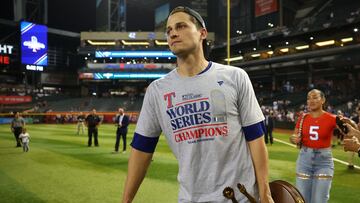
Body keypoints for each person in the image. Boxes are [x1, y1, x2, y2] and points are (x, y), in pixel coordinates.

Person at [122, 6, 274, 203]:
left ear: (202, 33)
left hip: (241, 197)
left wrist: (265, 192)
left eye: (181, 26)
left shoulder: (235, 77)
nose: (173, 33)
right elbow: (142, 149)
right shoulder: (156, 91)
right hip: (191, 198)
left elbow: (256, 138)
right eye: (168, 31)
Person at [290, 89, 337, 203]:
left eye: (315, 97)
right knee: (302, 199)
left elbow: (350, 131)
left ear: (323, 100)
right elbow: (293, 136)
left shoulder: (333, 118)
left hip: (324, 162)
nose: (311, 100)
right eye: (309, 98)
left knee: (319, 200)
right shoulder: (303, 117)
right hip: (304, 161)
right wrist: (293, 139)